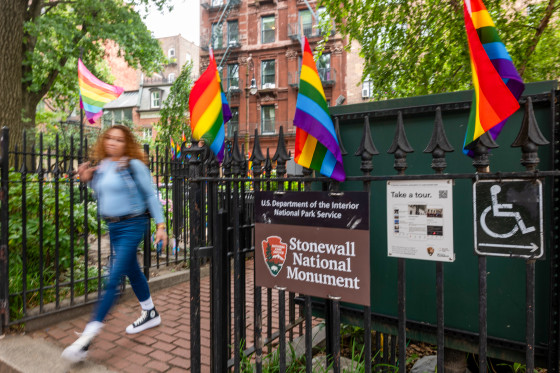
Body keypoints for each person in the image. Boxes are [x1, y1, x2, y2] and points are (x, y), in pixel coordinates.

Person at [62, 125, 167, 363]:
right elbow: (103, 194)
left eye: (119, 140)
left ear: (126, 143)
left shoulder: (133, 165)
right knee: (131, 269)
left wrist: (161, 227)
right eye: (109, 138)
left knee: (113, 278)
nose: (113, 142)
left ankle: (85, 341)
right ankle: (150, 312)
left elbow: (151, 195)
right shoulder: (105, 167)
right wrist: (88, 179)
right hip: (114, 226)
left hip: (133, 224)